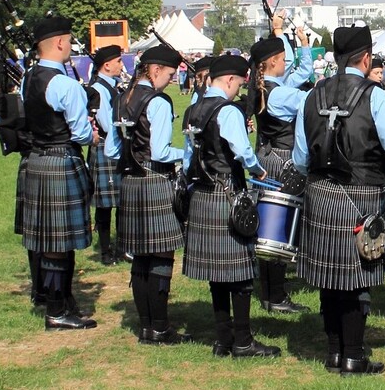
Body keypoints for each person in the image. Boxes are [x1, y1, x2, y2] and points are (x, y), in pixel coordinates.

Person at [292, 25, 385, 376]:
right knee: (356, 278)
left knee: (329, 278)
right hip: (363, 196)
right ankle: (353, 357)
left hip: (320, 195)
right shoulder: (375, 96)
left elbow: (301, 159)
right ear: (365, 58)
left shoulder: (311, 96)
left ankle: (334, 353)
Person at [182, 54, 279, 358]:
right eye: (238, 83)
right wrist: (257, 170)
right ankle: (243, 341)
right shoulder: (227, 110)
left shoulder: (193, 109)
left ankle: (223, 340)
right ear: (228, 80)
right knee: (239, 276)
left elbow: (188, 159)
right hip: (227, 195)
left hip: (202, 195)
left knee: (217, 276)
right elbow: (241, 149)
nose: (239, 90)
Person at [107, 44, 191, 344]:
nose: (170, 80)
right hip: (154, 180)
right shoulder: (158, 101)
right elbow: (160, 151)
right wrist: (190, 154)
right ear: (154, 70)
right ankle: (160, 327)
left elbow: (110, 149)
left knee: (140, 256)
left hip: (129, 181)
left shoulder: (121, 98)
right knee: (161, 255)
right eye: (169, 75)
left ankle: (145, 326)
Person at [20, 16, 98, 330]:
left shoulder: (28, 77)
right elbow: (80, 133)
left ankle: (62, 302)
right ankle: (57, 310)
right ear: (60, 43)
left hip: (37, 160)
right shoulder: (65, 85)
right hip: (61, 161)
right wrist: (92, 136)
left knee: (50, 240)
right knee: (59, 242)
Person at [246, 30, 314, 314]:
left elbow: (298, 79)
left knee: (268, 227)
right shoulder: (280, 95)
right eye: (284, 59)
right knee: (277, 229)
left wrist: (305, 49)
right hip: (283, 159)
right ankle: (275, 296)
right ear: (273, 62)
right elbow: (310, 102)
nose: (286, 63)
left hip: (266, 155)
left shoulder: (264, 88)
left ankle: (271, 292)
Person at [87, 45, 125, 265]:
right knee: (104, 204)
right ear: (107, 65)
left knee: (120, 201)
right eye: (118, 61)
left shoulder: (115, 87)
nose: (122, 65)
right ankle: (105, 250)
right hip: (105, 146)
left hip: (116, 146)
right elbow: (106, 123)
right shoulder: (99, 89)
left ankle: (121, 246)